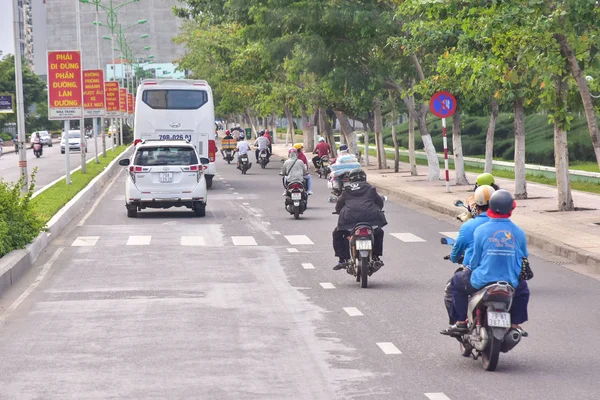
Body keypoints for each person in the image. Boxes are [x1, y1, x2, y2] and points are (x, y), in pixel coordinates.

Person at [442, 190, 530, 336]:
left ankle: (461, 322)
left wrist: (467, 268)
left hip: (481, 280)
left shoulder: (480, 230)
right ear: (511, 208)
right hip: (510, 282)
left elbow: (475, 260)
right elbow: (523, 257)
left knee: (457, 281)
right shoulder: (518, 232)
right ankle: (515, 324)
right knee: (523, 291)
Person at [332, 169, 387, 271]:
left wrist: (339, 212)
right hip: (371, 219)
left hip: (349, 221)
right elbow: (380, 203)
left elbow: (339, 206)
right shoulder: (371, 188)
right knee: (379, 232)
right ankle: (376, 256)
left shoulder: (346, 190)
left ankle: (343, 259)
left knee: (338, 234)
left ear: (351, 179)